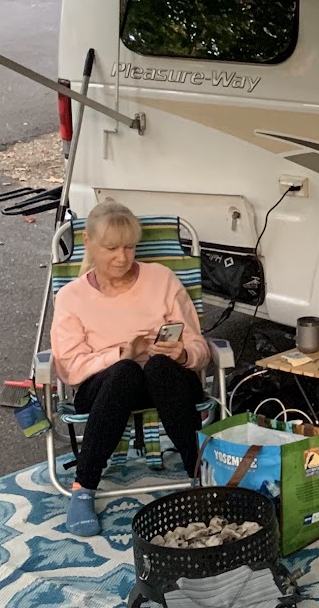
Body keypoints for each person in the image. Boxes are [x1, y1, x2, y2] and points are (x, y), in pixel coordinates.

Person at [50, 200, 210, 536]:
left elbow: (199, 348)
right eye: (111, 248)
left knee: (158, 367)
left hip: (168, 383)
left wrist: (181, 354)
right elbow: (70, 367)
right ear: (89, 244)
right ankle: (83, 488)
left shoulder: (162, 280)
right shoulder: (71, 297)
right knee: (126, 372)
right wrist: (123, 353)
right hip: (105, 390)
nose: (122, 258)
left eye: (129, 247)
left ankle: (199, 476)